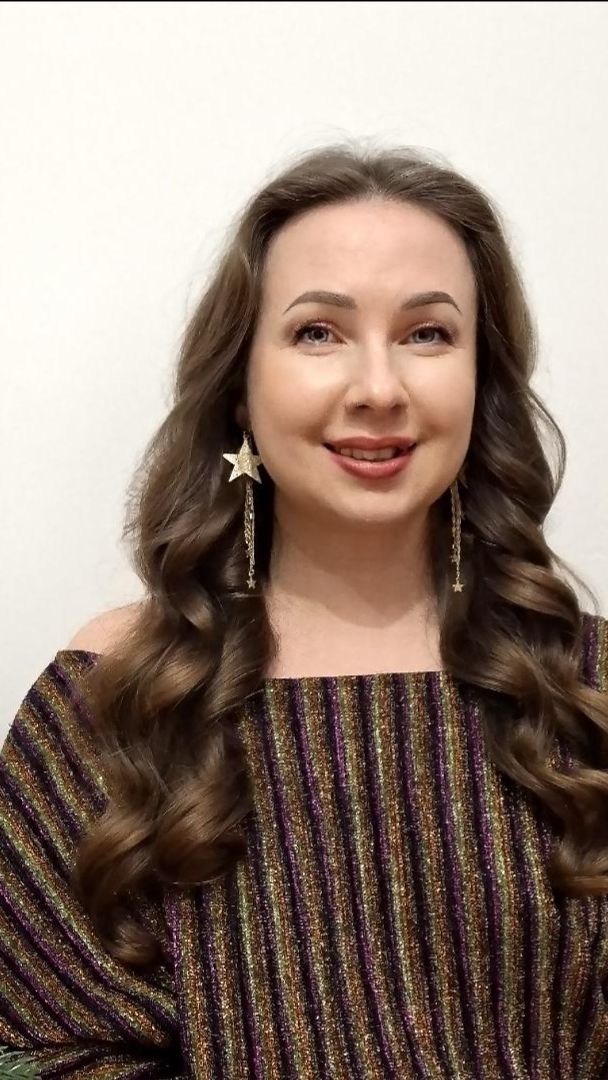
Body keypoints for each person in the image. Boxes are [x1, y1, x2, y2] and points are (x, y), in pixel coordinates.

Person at [1, 140, 607, 1079]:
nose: (378, 389)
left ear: (481, 380)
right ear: (240, 388)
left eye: (428, 334)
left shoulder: (586, 686)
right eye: (318, 333)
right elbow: (36, 1050)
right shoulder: (118, 693)